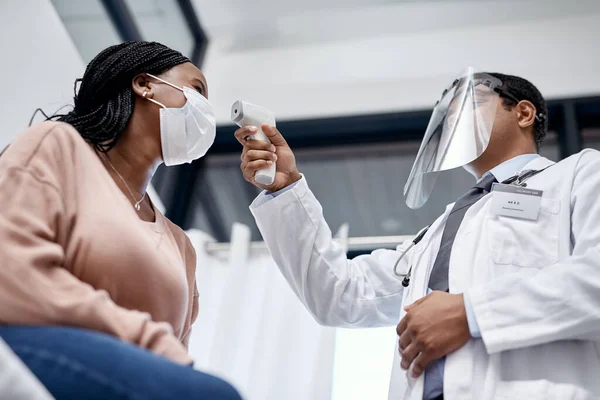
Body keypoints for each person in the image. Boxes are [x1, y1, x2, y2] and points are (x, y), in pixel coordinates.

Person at [236, 69, 600, 400]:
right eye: (448, 114)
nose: (453, 120)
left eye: (470, 104)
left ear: (523, 113)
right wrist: (284, 189)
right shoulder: (437, 233)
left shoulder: (581, 174)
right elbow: (342, 295)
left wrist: (472, 313)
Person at [0, 41, 241, 400]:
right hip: (27, 339)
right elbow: (12, 275)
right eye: (197, 90)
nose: (206, 110)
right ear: (144, 84)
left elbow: (176, 358)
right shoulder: (57, 146)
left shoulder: (181, 246)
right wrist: (146, 342)